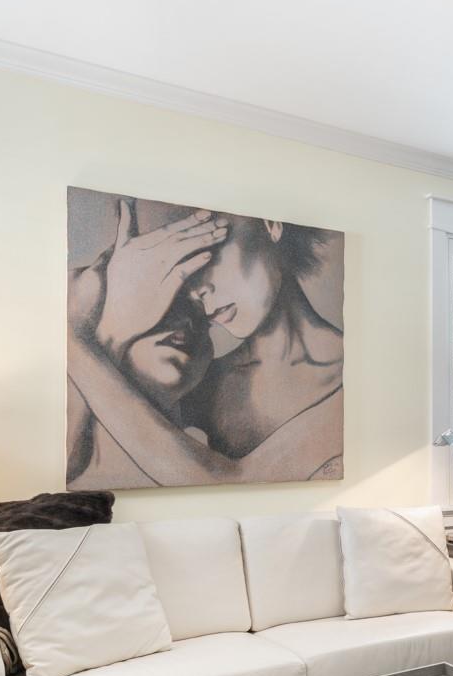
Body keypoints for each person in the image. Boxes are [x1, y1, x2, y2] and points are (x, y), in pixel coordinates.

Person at [67, 198, 343, 487]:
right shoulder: (202, 379)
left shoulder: (355, 378)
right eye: (173, 271)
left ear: (270, 224)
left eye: (203, 254)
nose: (196, 290)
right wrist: (111, 330)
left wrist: (75, 339)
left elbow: (227, 477)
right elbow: (71, 462)